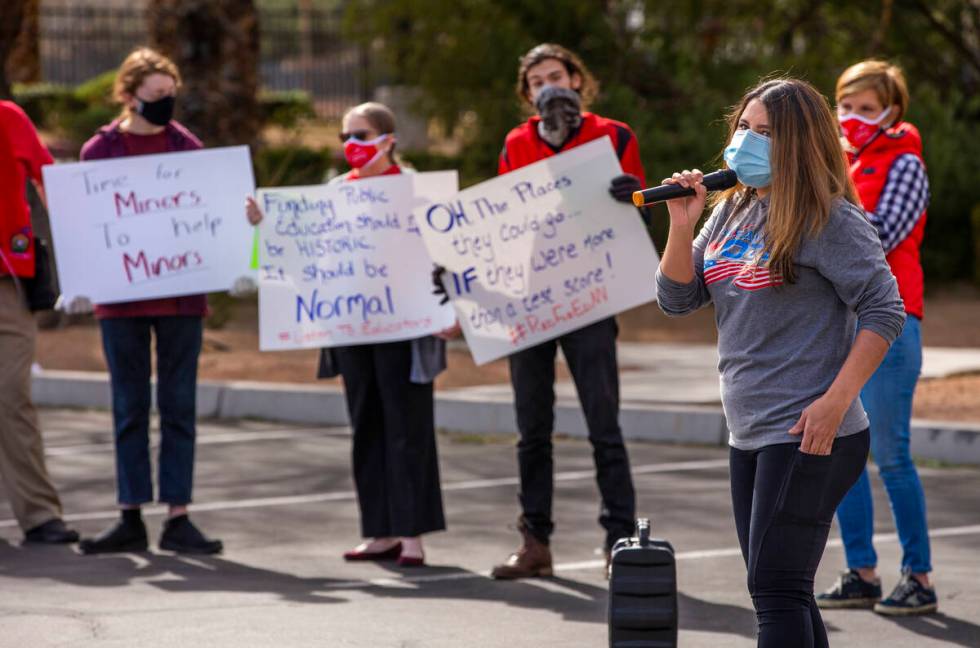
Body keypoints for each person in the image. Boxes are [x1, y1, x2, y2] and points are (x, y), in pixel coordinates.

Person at [655, 78, 905, 647]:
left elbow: (884, 310)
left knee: (774, 589)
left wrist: (835, 401)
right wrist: (681, 223)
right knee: (780, 588)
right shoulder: (730, 211)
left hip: (811, 429)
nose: (747, 140)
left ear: (798, 141)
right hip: (751, 430)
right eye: (744, 127)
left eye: (765, 132)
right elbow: (677, 299)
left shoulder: (828, 218)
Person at [246, 102, 449, 566]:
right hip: (352, 325)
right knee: (366, 424)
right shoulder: (334, 193)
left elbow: (446, 258)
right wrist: (268, 225)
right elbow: (303, 256)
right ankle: (379, 531)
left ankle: (412, 534)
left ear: (388, 139)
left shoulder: (416, 192)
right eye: (345, 137)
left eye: (362, 135)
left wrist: (448, 311)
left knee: (408, 427)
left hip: (407, 327)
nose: (352, 145)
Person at [489, 43, 645, 580]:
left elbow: (634, 221)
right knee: (532, 427)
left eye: (555, 75)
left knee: (604, 424)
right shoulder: (515, 141)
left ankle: (620, 540)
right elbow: (501, 218)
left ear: (577, 79)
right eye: (536, 81)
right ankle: (535, 542)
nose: (546, 86)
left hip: (591, 296)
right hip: (531, 300)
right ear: (526, 92)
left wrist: (635, 197)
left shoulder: (615, 135)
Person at [65, 48, 222, 555]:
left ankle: (179, 517)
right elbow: (85, 223)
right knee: (129, 406)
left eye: (171, 95)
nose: (166, 104)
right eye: (157, 96)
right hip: (121, 299)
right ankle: (129, 514)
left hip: (181, 298)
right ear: (130, 96)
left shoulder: (188, 148)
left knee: (179, 406)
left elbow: (209, 214)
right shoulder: (100, 152)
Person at [817, 60, 937, 616]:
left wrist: (820, 220)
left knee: (891, 456)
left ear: (893, 112)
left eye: (867, 108)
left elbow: (881, 233)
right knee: (845, 455)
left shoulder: (905, 163)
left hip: (892, 323)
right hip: (838, 326)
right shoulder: (836, 162)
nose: (853, 118)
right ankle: (861, 572)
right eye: (845, 106)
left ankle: (920, 577)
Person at [0, 99, 80, 545]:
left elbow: (52, 183)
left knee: (12, 397)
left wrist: (87, 246)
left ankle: (39, 514)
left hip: (8, 286)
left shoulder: (8, 117)